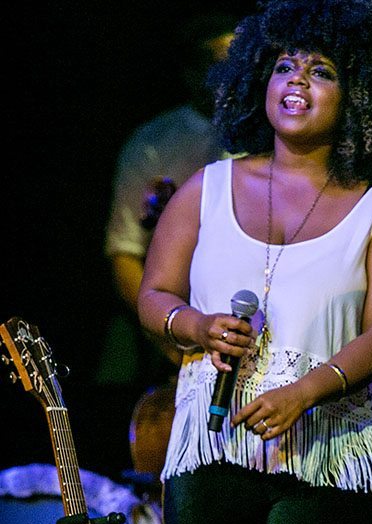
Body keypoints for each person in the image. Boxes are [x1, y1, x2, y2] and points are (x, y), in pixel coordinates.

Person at [135, 0, 372, 524]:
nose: (295, 81)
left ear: (359, 95)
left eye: (320, 70)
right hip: (213, 445)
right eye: (284, 66)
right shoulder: (207, 187)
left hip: (329, 455)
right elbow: (155, 293)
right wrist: (197, 324)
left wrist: (307, 391)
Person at [101, 12, 238, 385]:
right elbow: (125, 252)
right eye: (217, 66)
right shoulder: (154, 143)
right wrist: (170, 335)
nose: (229, 78)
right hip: (173, 336)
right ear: (191, 72)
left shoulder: (267, 137)